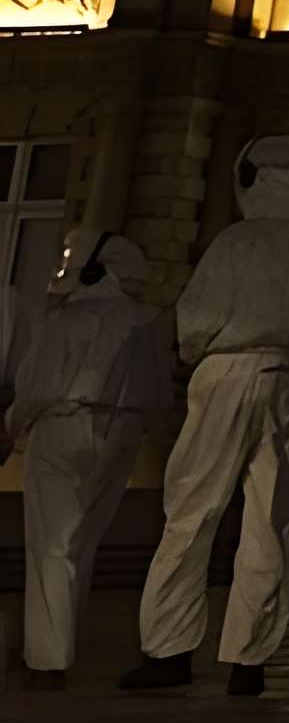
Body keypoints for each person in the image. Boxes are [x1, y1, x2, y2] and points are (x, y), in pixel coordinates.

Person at [123, 133, 289, 694]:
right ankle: (250, 658)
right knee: (270, 519)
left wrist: (194, 354)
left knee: (193, 511)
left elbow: (195, 321)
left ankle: (169, 650)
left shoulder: (235, 242)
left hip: (228, 372)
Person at [11, 228, 174, 690]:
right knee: (82, 541)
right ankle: (62, 640)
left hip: (63, 427)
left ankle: (48, 661)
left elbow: (37, 387)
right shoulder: (147, 322)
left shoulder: (67, 319)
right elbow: (160, 393)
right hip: (122, 433)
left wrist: (11, 425)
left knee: (52, 545)